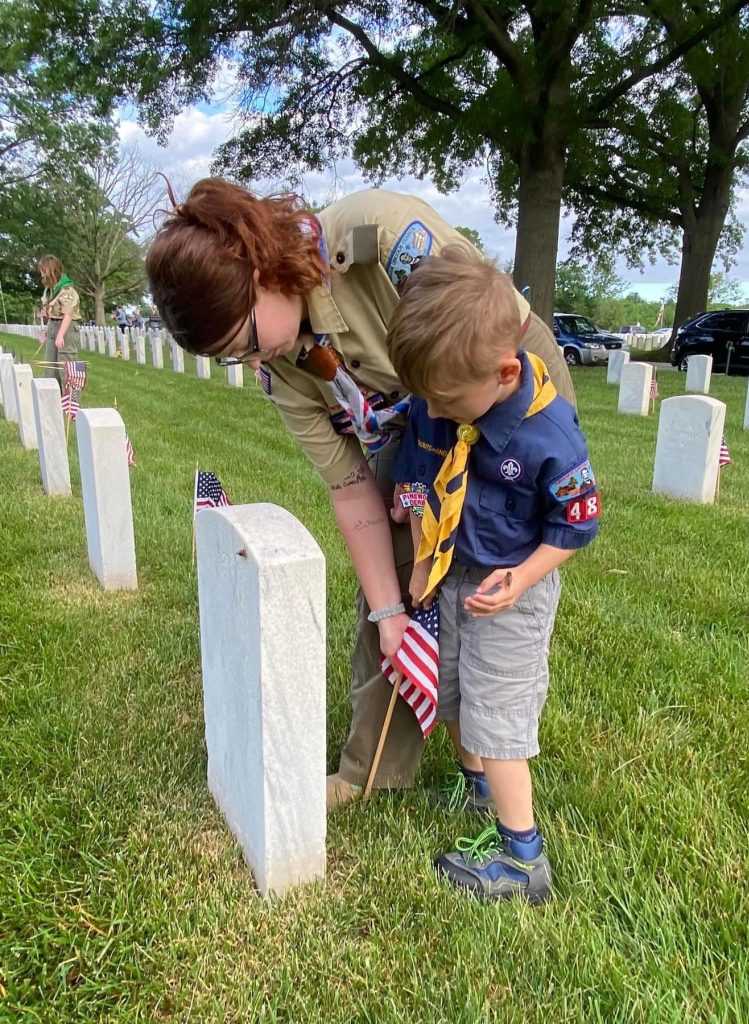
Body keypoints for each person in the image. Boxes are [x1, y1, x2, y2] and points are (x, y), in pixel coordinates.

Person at [145, 178, 577, 808]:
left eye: (244, 339)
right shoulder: (281, 371)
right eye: (232, 358)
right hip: (411, 438)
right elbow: (350, 490)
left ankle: (497, 766)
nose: (251, 359)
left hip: (505, 394)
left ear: (260, 269)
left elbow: (492, 336)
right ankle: (370, 771)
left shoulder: (385, 238)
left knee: (489, 584)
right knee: (392, 600)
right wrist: (389, 613)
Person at [387, 247, 600, 902]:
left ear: (505, 371)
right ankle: (479, 787)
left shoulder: (550, 434)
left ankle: (523, 859)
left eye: (448, 401)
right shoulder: (439, 398)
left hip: (514, 587)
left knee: (498, 709)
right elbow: (421, 472)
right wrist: (416, 532)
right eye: (427, 398)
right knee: (452, 688)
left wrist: (524, 578)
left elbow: (578, 523)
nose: (437, 411)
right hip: (452, 568)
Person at [38, 256, 81, 390]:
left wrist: (60, 334)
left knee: (67, 369)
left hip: (66, 329)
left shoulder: (66, 289)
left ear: (50, 271)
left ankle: (73, 406)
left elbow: (68, 314)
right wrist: (47, 331)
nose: (41, 274)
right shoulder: (50, 289)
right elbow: (50, 313)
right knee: (50, 367)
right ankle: (53, 403)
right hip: (53, 325)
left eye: (43, 271)